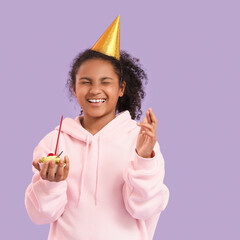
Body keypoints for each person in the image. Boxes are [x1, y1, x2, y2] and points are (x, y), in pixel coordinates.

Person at [24, 16, 169, 240]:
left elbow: (144, 208)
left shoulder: (138, 141)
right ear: (74, 88)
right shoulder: (54, 143)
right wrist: (49, 185)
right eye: (86, 82)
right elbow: (40, 215)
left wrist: (143, 158)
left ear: (121, 88)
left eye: (105, 82)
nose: (95, 90)